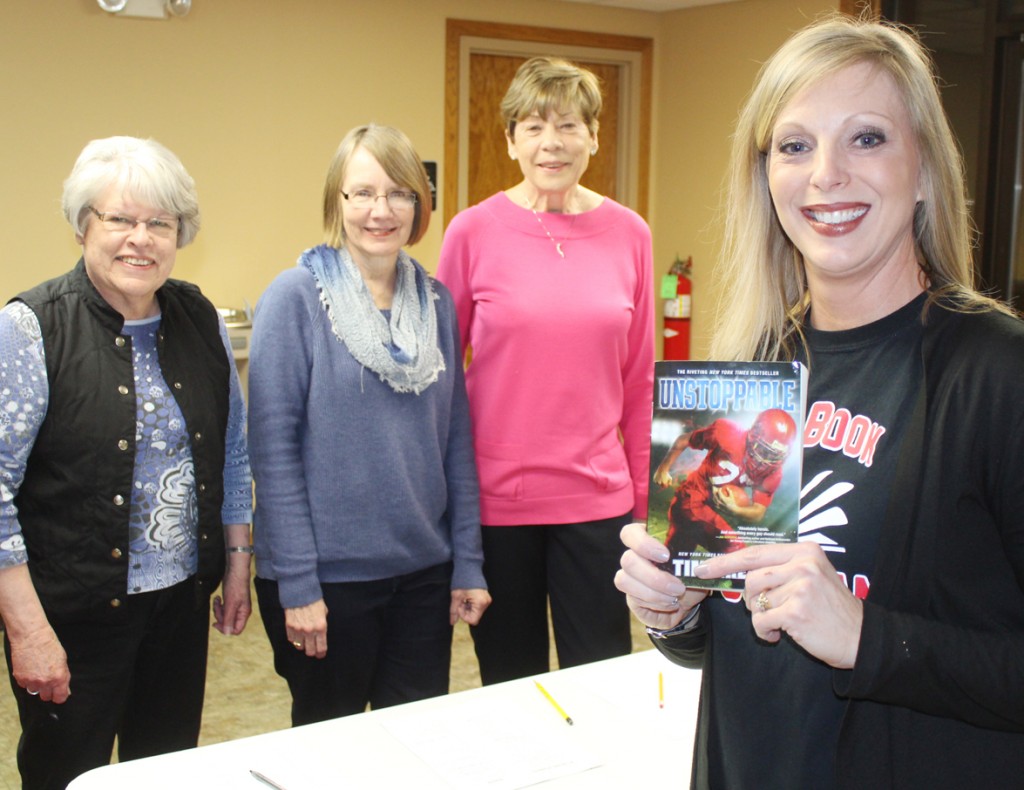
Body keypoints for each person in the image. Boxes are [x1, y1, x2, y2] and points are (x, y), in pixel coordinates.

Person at [615, 14, 1024, 789]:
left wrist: (869, 638)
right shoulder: (754, 372)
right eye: (795, 146)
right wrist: (680, 613)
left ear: (926, 168)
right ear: (765, 177)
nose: (825, 175)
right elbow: (747, 634)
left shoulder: (999, 374)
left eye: (867, 138)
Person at [0, 136, 253, 790]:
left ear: (179, 233)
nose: (140, 239)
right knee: (65, 774)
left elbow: (232, 449)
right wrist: (26, 630)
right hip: (71, 614)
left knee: (166, 770)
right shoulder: (31, 328)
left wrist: (238, 561)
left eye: (159, 223)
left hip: (176, 607)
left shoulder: (199, 317)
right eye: (119, 219)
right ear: (84, 224)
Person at [249, 124, 490, 726]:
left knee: (410, 747)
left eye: (399, 193)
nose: (380, 210)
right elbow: (272, 452)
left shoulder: (435, 303)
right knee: (329, 756)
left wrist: (468, 561)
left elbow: (456, 442)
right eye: (361, 193)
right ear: (337, 201)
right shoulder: (295, 298)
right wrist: (299, 586)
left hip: (421, 577)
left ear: (419, 204)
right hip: (328, 583)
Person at [436, 56, 654, 686]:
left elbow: (640, 383)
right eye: (532, 127)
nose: (550, 142)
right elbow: (442, 382)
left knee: (603, 678)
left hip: (598, 504)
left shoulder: (630, 234)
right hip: (499, 504)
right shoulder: (471, 232)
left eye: (567, 125)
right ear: (509, 141)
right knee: (508, 682)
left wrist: (644, 507)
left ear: (592, 136)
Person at [653, 408, 798, 555]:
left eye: (775, 455)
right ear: (753, 435)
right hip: (691, 499)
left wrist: (735, 509)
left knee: (674, 558)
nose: (766, 460)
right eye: (764, 450)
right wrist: (663, 469)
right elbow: (684, 440)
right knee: (736, 551)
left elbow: (759, 511)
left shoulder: (774, 472)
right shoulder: (726, 433)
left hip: (709, 507)